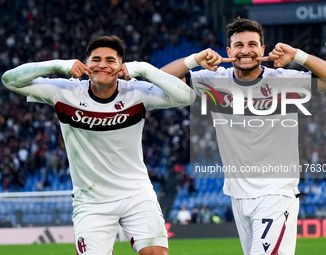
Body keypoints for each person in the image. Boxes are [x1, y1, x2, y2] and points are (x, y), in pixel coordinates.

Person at [2, 35, 195, 255]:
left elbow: (187, 97)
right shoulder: (65, 91)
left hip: (136, 194)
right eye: (96, 59)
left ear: (121, 66)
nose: (102, 64)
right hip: (91, 202)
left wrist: (143, 68)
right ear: (85, 64)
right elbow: (9, 80)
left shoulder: (136, 92)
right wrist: (58, 65)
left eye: (111, 60)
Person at [162, 17, 326, 255]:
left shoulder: (284, 81)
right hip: (238, 195)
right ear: (228, 51)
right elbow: (160, 80)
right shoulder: (214, 81)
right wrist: (194, 60)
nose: (245, 51)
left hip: (276, 192)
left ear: (262, 49)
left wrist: (297, 55)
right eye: (239, 45)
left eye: (252, 44)